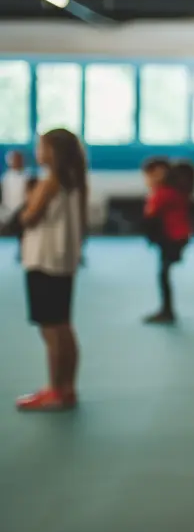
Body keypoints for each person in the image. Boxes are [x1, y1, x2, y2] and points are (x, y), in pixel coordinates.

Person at [16, 128, 87, 412]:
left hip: (43, 259)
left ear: (52, 152)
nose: (37, 152)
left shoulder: (49, 183)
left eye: (41, 147)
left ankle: (54, 389)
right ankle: (66, 387)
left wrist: (28, 199)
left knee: (51, 329)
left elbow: (29, 218)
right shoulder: (75, 182)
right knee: (63, 325)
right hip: (63, 260)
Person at [141, 157, 194, 324]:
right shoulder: (176, 191)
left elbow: (149, 214)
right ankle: (167, 309)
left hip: (172, 237)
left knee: (163, 274)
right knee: (164, 273)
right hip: (177, 236)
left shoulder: (163, 193)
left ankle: (167, 310)